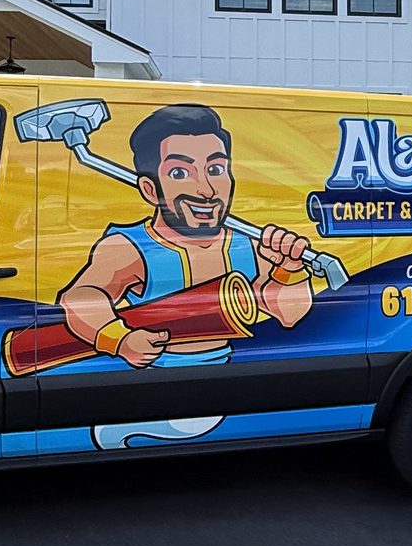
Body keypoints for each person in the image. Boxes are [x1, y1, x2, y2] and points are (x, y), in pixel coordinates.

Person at [59, 103, 313, 369]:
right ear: (149, 189)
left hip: (229, 378)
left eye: (215, 170)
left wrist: (289, 270)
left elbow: (288, 314)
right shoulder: (133, 247)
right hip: (155, 383)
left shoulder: (245, 245)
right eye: (180, 173)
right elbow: (82, 297)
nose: (206, 189)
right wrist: (118, 339)